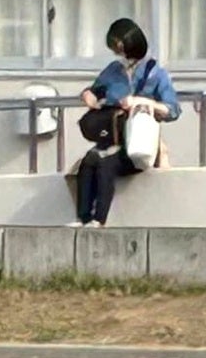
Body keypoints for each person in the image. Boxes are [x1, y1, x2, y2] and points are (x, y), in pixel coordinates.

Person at [70, 16, 180, 225]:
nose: (117, 52)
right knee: (88, 162)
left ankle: (99, 219)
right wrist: (88, 95)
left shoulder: (156, 74)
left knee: (106, 165)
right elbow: (96, 90)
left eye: (118, 47)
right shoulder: (113, 70)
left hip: (138, 143)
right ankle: (83, 217)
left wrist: (143, 102)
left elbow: (173, 109)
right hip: (112, 137)